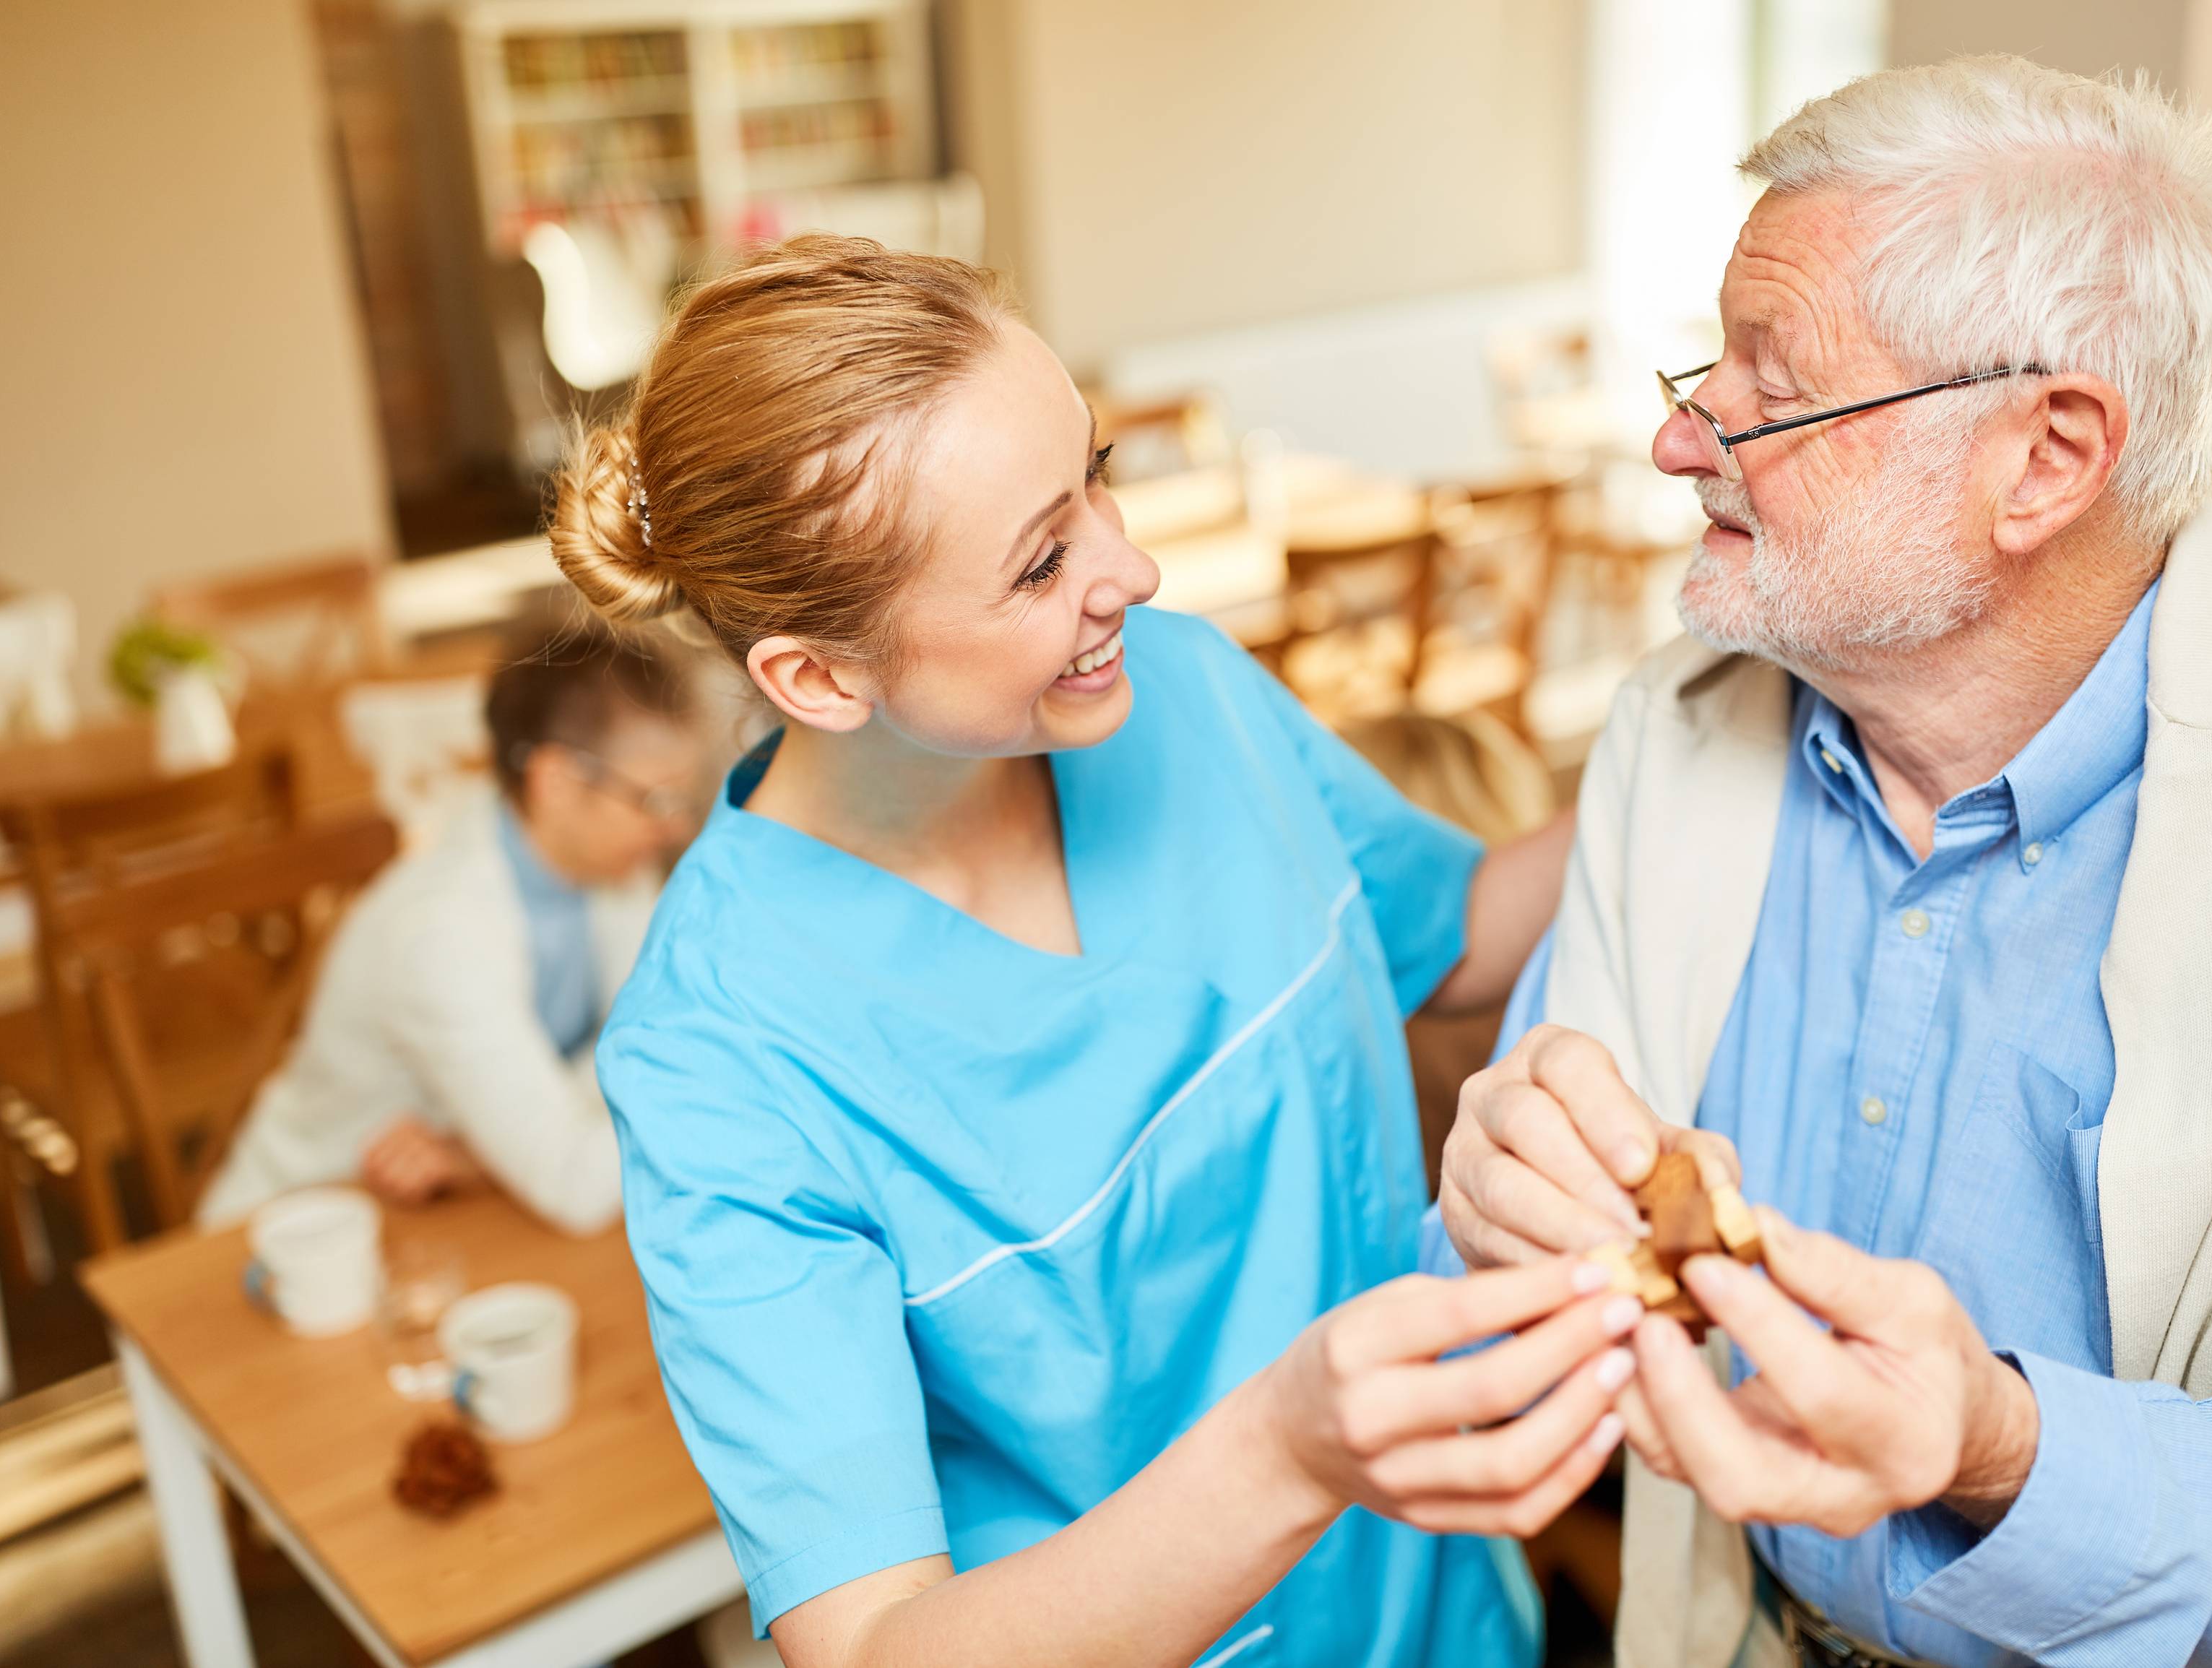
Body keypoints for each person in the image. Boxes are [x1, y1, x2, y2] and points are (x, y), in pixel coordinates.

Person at [1433, 56, 2212, 1668]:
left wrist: (2001, 1442)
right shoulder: (1667, 733)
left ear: (2048, 455)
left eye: (1770, 384)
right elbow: (1500, 1284)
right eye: (1709, 359)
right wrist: (1493, 1208)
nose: (1674, 438)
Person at [553, 236, 1704, 1668]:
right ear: (820, 675)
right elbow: (869, 1643)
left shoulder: (1184, 689)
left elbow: (1455, 929)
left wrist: (1702, 719)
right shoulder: (722, 1054)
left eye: (1092, 476)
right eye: (1041, 561)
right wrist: (1287, 1451)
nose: (1133, 566)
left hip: (1451, 1613)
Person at [196, 627, 706, 1233]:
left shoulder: (611, 867)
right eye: (654, 800)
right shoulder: (441, 931)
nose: (674, 828)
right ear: (557, 782)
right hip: (300, 1228)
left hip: (444, 1215)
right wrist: (713, 1088)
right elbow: (578, 1186)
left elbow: (636, 1050)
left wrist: (490, 1155)